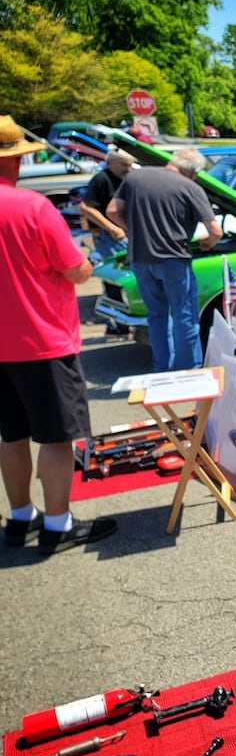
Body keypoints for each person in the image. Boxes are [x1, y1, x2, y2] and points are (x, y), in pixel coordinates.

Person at [0, 115, 117, 554]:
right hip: (41, 341)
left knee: (9, 435)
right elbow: (74, 269)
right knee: (55, 437)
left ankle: (19, 518)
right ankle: (56, 523)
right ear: (16, 161)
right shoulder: (33, 207)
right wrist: (87, 260)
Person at [107, 147, 223, 372]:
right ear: (193, 171)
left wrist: (134, 230)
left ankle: (162, 370)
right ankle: (189, 371)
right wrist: (208, 243)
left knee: (157, 317)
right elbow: (215, 230)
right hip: (173, 260)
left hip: (140, 258)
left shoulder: (135, 177)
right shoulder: (191, 187)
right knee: (185, 317)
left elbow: (112, 211)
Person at [80, 145, 135, 260]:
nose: (128, 169)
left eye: (130, 165)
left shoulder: (123, 178)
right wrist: (112, 228)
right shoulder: (101, 179)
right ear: (111, 162)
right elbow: (86, 208)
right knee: (117, 271)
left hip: (123, 233)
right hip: (109, 235)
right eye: (124, 165)